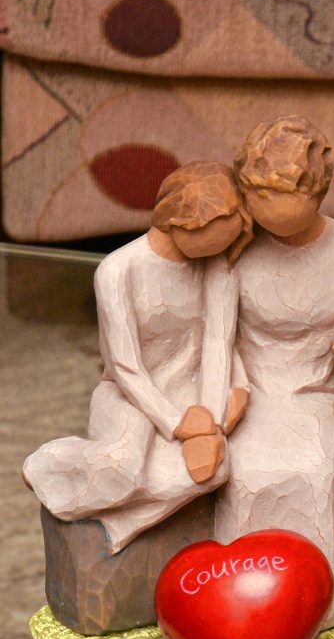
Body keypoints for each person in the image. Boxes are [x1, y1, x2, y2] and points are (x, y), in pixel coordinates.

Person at [23, 162, 253, 553]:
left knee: (211, 474)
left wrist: (209, 422)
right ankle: (52, 466)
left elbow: (218, 342)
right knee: (122, 472)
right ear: (181, 221)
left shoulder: (218, 268)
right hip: (130, 395)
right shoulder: (118, 270)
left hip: (190, 390)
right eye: (213, 240)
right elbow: (124, 365)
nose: (220, 252)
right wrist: (178, 424)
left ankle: (118, 530)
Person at [214, 115, 334, 629]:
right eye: (257, 197)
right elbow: (219, 333)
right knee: (243, 474)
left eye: (281, 196)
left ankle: (311, 597)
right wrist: (234, 387)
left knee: (308, 472)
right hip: (250, 385)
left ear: (316, 192)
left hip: (313, 387)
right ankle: (238, 599)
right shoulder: (237, 245)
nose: (266, 210)